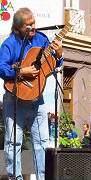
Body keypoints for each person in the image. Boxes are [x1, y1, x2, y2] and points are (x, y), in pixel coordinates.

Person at [0, 7, 63, 180]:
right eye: (28, 25)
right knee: (13, 142)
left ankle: (43, 177)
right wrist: (22, 71)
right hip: (15, 99)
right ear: (18, 27)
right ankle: (16, 178)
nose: (33, 27)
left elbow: (53, 63)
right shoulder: (9, 43)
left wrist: (59, 54)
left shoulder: (42, 39)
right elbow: (2, 68)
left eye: (34, 22)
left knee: (42, 143)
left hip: (37, 99)